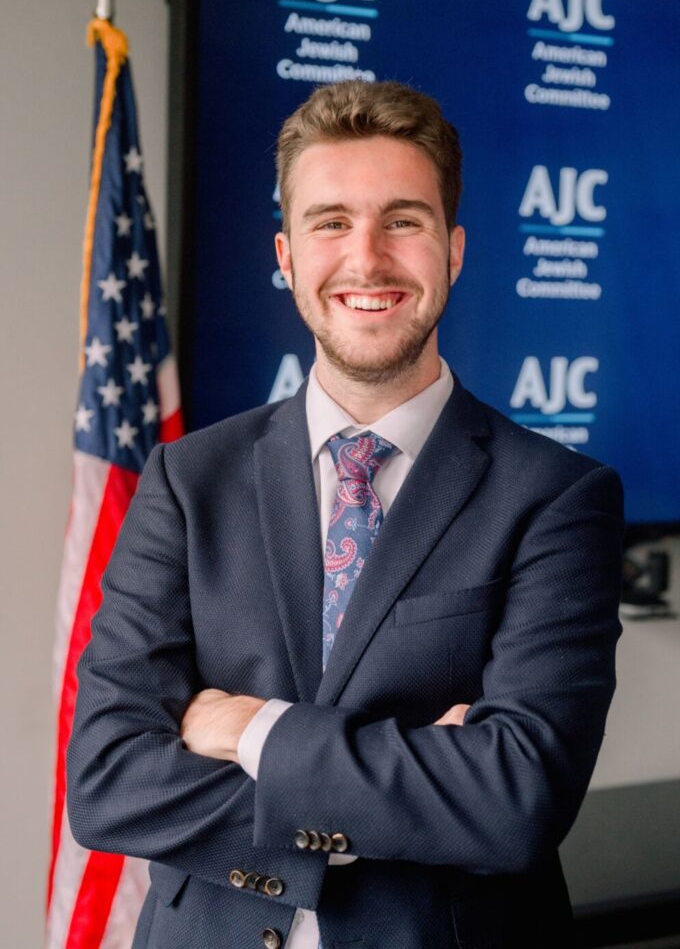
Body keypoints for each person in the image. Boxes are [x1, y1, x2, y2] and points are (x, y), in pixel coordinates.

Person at [67, 80, 624, 949]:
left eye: (404, 220)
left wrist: (246, 726)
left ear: (455, 250)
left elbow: (514, 800)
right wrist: (408, 788)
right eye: (331, 222)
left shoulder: (558, 497)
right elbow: (108, 780)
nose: (367, 259)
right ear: (286, 256)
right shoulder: (186, 479)